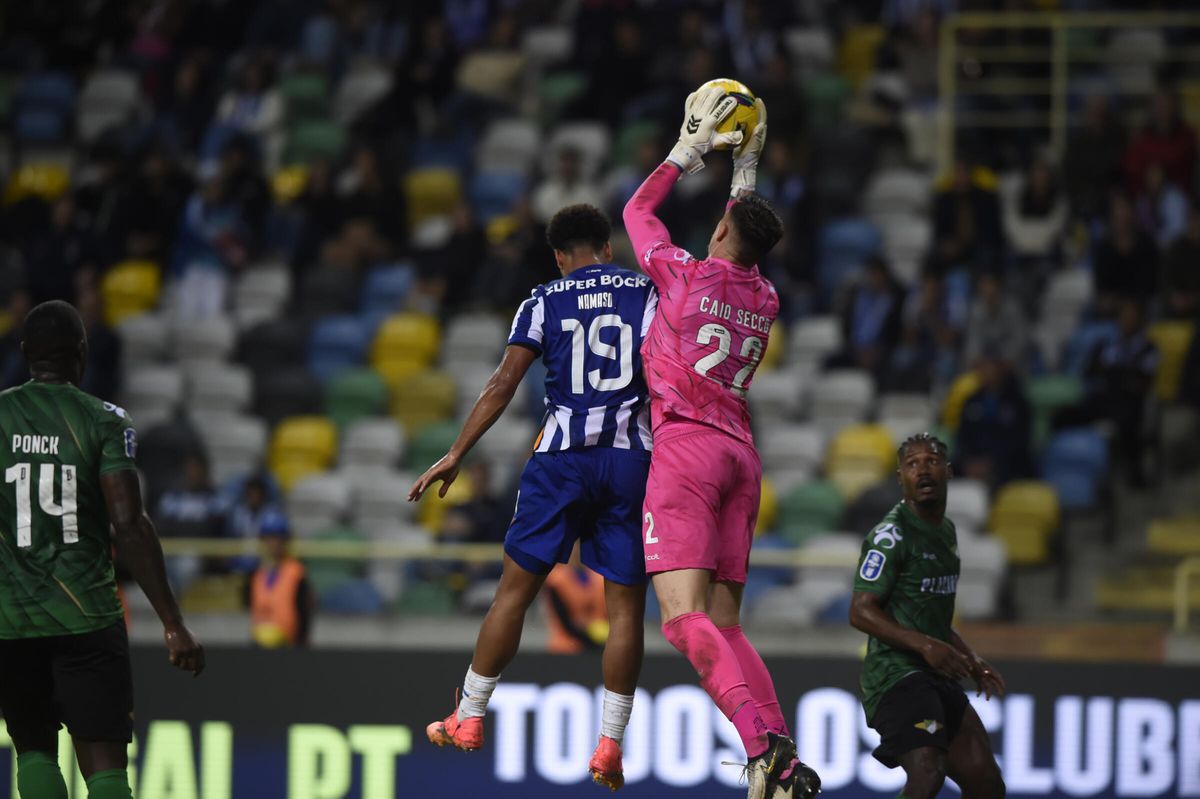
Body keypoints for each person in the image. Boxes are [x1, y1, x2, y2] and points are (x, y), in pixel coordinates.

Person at [408, 204, 656, 790]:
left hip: (560, 460)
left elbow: (503, 383)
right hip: (629, 460)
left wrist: (458, 452)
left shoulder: (543, 299)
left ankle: (468, 717)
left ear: (558, 256)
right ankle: (610, 746)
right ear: (607, 247)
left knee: (513, 594)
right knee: (624, 609)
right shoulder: (647, 293)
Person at [622, 88, 819, 799]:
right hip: (742, 455)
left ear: (717, 235)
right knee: (728, 623)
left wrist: (689, 151)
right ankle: (782, 754)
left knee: (682, 621)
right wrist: (749, 163)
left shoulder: (683, 274)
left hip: (687, 455)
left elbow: (636, 214)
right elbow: (747, 229)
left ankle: (762, 745)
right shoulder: (763, 296)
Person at [0, 300, 205, 799]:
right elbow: (129, 525)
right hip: (86, 617)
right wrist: (172, 622)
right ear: (82, 352)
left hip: (13, 620)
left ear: (26, 352)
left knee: (33, 751)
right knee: (105, 766)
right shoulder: (103, 420)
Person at [849, 433, 1006, 799]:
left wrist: (971, 658)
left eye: (931, 461)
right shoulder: (890, 536)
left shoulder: (946, 532)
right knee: (927, 771)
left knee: (988, 787)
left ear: (948, 472)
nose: (923, 470)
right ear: (900, 476)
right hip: (896, 676)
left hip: (936, 674)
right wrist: (926, 646)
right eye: (912, 464)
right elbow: (860, 611)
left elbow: (930, 612)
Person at [244, 511, 314, 648]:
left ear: (285, 540)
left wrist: (301, 643)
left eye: (277, 538)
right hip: (259, 643)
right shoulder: (257, 574)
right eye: (268, 538)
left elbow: (304, 612)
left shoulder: (296, 572)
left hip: (288, 645)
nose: (273, 543)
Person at [542, 545, 609, 655]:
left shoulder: (601, 578)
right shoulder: (557, 580)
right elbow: (565, 621)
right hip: (565, 648)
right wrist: (592, 639)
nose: (577, 552)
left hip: (601, 647)